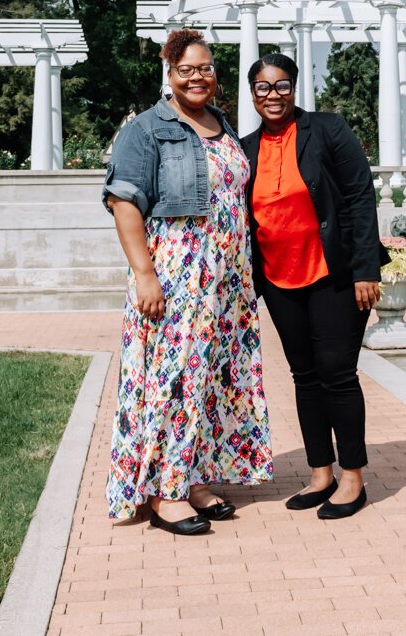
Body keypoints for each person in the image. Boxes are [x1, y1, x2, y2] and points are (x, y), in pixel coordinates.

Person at [101, 29, 273, 535]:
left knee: (211, 380)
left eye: (205, 69)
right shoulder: (146, 129)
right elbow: (124, 202)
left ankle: (192, 476)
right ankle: (163, 490)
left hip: (227, 279)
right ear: (169, 74)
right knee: (173, 379)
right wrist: (145, 275)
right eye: (186, 70)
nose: (198, 78)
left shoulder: (220, 122)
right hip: (178, 273)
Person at [241, 53, 386, 520]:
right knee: (304, 376)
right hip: (279, 280)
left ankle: (353, 478)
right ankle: (320, 472)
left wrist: (366, 269)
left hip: (335, 274)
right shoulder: (245, 148)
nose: (273, 96)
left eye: (281, 86)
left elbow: (361, 195)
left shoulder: (327, 129)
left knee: (337, 374)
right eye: (263, 88)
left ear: (294, 87)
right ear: (252, 94)